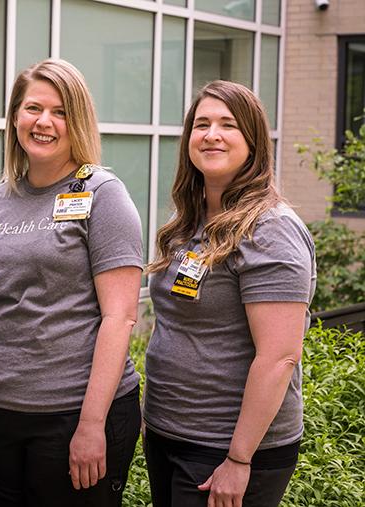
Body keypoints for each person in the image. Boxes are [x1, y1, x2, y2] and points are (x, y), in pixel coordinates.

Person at [0, 58, 144, 507]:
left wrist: (91, 424)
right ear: (15, 118)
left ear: (78, 120)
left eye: (60, 111)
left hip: (72, 417)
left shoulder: (103, 194)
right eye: (33, 108)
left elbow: (119, 317)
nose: (44, 122)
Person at [143, 80, 316, 507]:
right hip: (172, 434)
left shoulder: (270, 229)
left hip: (228, 449)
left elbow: (279, 357)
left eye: (228, 125)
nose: (211, 134)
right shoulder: (191, 221)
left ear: (253, 141)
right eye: (201, 124)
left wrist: (239, 459)